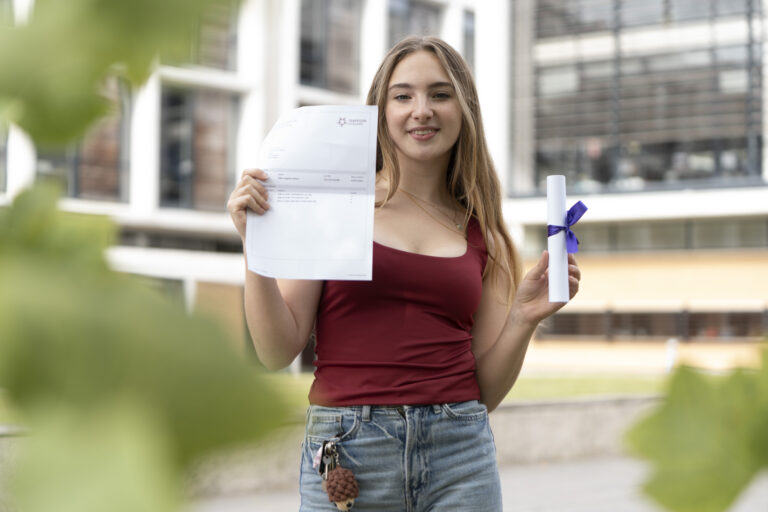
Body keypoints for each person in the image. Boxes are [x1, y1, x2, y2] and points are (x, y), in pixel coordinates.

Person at [227, 36, 580, 512]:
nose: (422, 110)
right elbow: (275, 351)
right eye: (403, 95)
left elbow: (485, 393)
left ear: (464, 108)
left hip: (461, 454)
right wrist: (256, 245)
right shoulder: (333, 208)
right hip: (350, 453)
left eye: (440, 94)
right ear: (380, 110)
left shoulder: (486, 235)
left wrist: (524, 317)